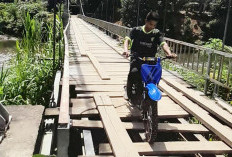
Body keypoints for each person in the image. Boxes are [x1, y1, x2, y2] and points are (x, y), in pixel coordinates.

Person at [123, 11, 177, 102]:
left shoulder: (156, 33)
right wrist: (126, 50)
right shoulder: (136, 30)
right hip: (137, 58)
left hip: (150, 60)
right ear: (146, 21)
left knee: (152, 78)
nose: (152, 27)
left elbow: (163, 44)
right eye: (150, 24)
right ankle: (128, 91)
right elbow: (127, 40)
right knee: (133, 73)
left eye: (154, 25)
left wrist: (169, 53)